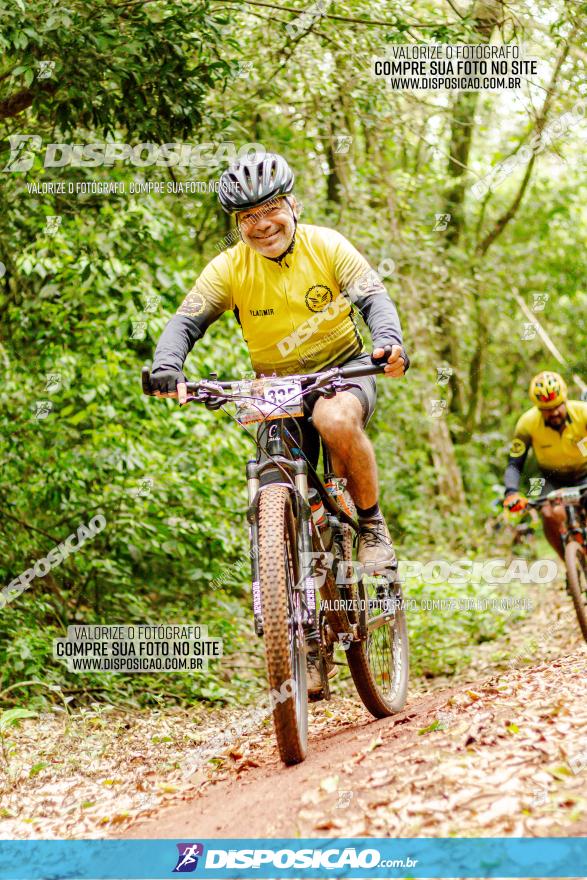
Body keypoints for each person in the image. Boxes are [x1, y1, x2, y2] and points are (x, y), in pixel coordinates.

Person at [148, 152, 409, 689]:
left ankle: (372, 524)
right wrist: (167, 365)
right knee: (279, 487)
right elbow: (184, 322)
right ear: (236, 224)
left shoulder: (329, 245)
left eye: (270, 209)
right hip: (275, 385)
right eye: (247, 217)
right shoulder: (228, 268)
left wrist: (389, 342)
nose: (261, 224)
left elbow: (374, 300)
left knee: (336, 422)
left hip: (341, 370)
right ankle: (305, 642)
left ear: (292, 204)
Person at [503, 371, 587, 559]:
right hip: (553, 478)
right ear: (538, 408)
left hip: (585, 472)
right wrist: (511, 492)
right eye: (546, 409)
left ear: (565, 400)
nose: (554, 412)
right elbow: (515, 463)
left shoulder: (583, 412)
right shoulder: (527, 423)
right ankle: (569, 562)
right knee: (548, 513)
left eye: (558, 406)